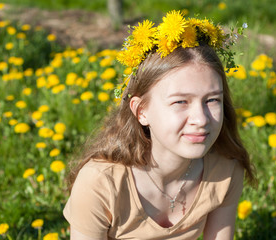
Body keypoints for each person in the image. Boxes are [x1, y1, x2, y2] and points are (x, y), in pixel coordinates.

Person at [63, 10, 256, 240]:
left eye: (212, 99)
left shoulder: (224, 171)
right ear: (141, 111)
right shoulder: (100, 184)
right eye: (180, 102)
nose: (202, 119)